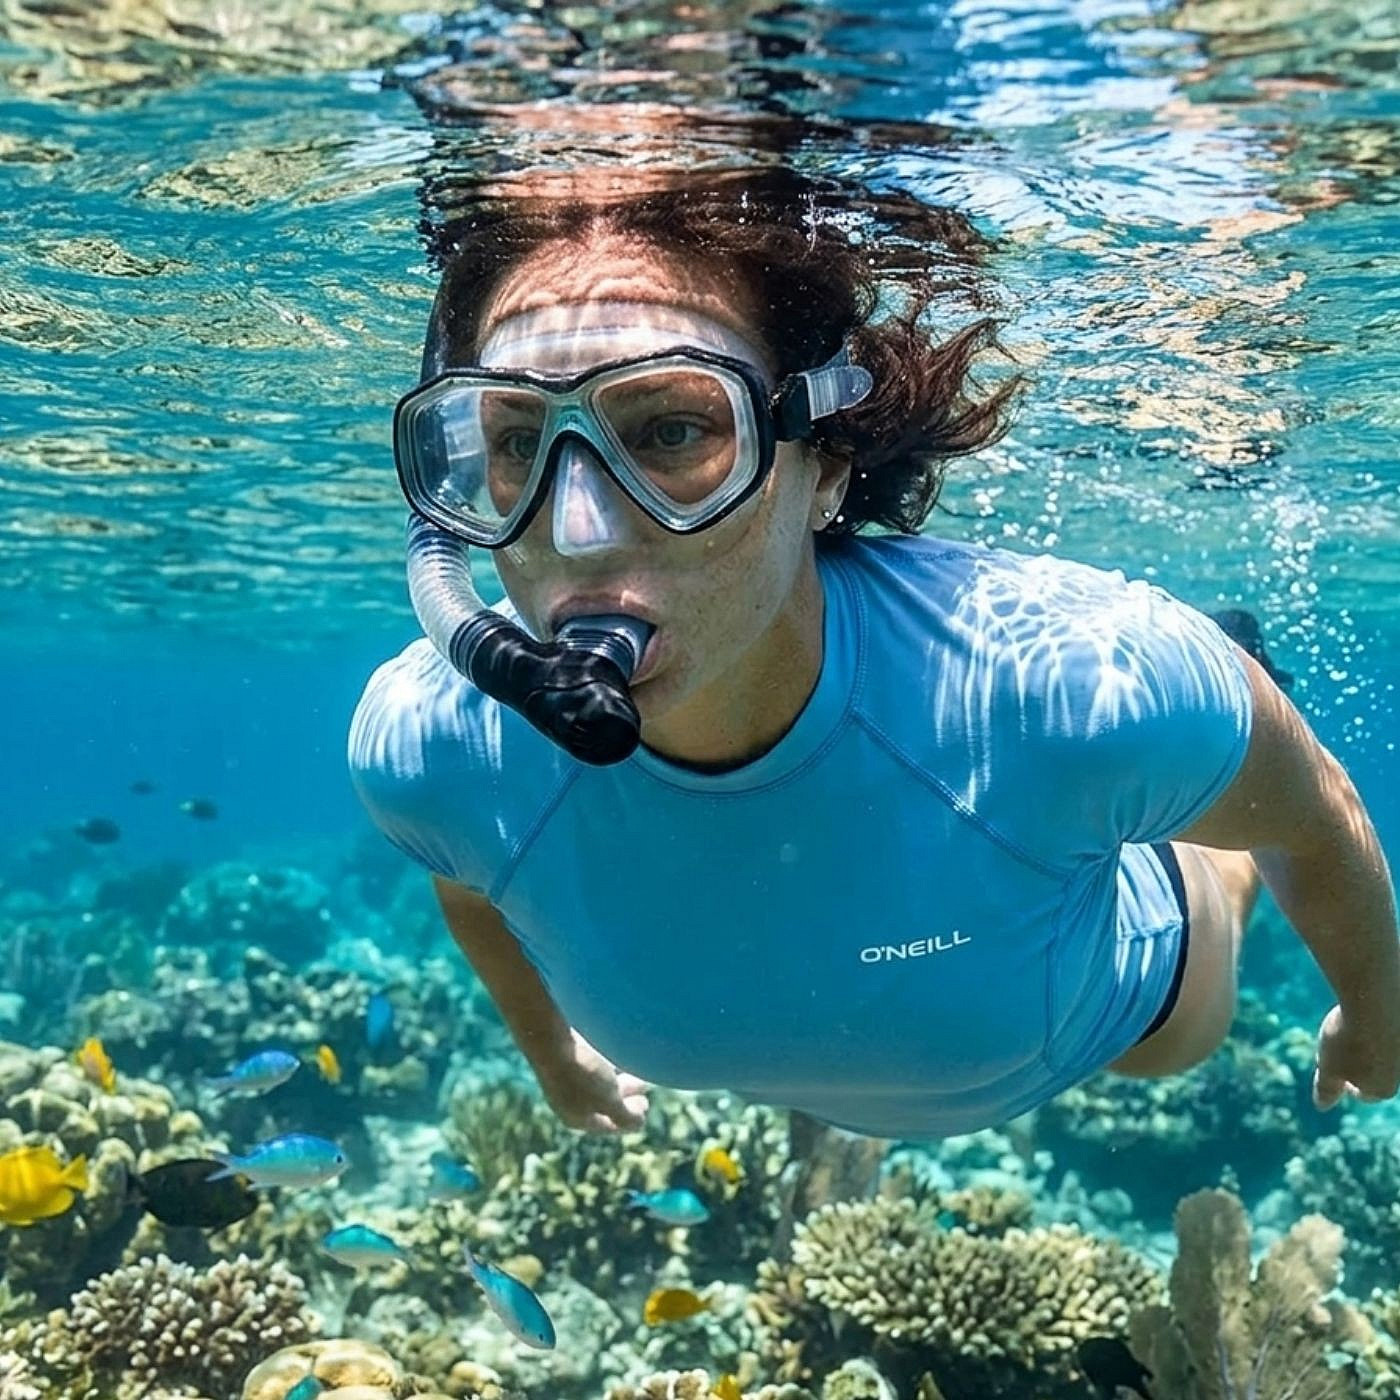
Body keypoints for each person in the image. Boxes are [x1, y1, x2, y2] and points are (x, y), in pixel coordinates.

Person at [349, 170, 1400, 1221]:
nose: (577, 532)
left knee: (1186, 992)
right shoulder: (433, 749)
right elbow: (471, 877)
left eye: (670, 432)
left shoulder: (1080, 686)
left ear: (823, 465)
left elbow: (1308, 810)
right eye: (517, 441)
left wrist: (1378, 1008)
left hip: (1118, 1020)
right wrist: (554, 1057)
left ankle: (1229, 703)